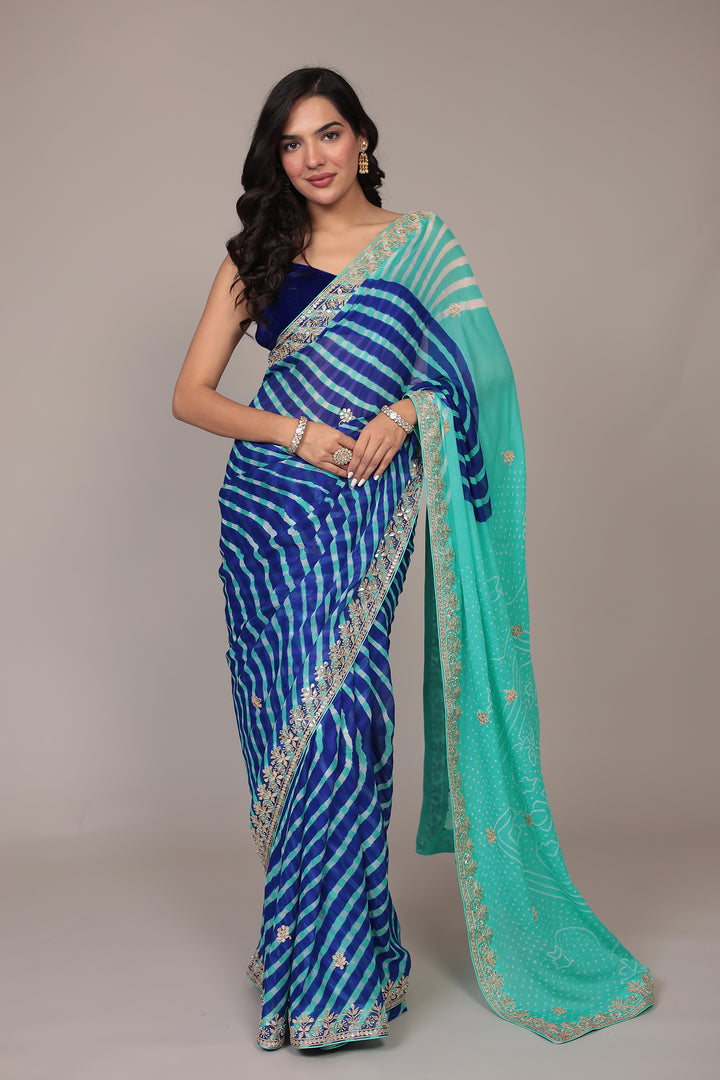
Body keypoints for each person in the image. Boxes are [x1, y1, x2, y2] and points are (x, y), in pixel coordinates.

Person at [172, 66, 654, 1052]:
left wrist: (406, 409)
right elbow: (193, 396)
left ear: (362, 137)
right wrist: (297, 434)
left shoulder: (422, 246)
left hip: (366, 511)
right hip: (267, 514)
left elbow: (484, 380)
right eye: (292, 143)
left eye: (329, 134)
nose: (313, 158)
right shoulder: (255, 255)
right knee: (292, 739)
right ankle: (317, 970)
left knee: (347, 725)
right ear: (276, 159)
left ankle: (341, 971)